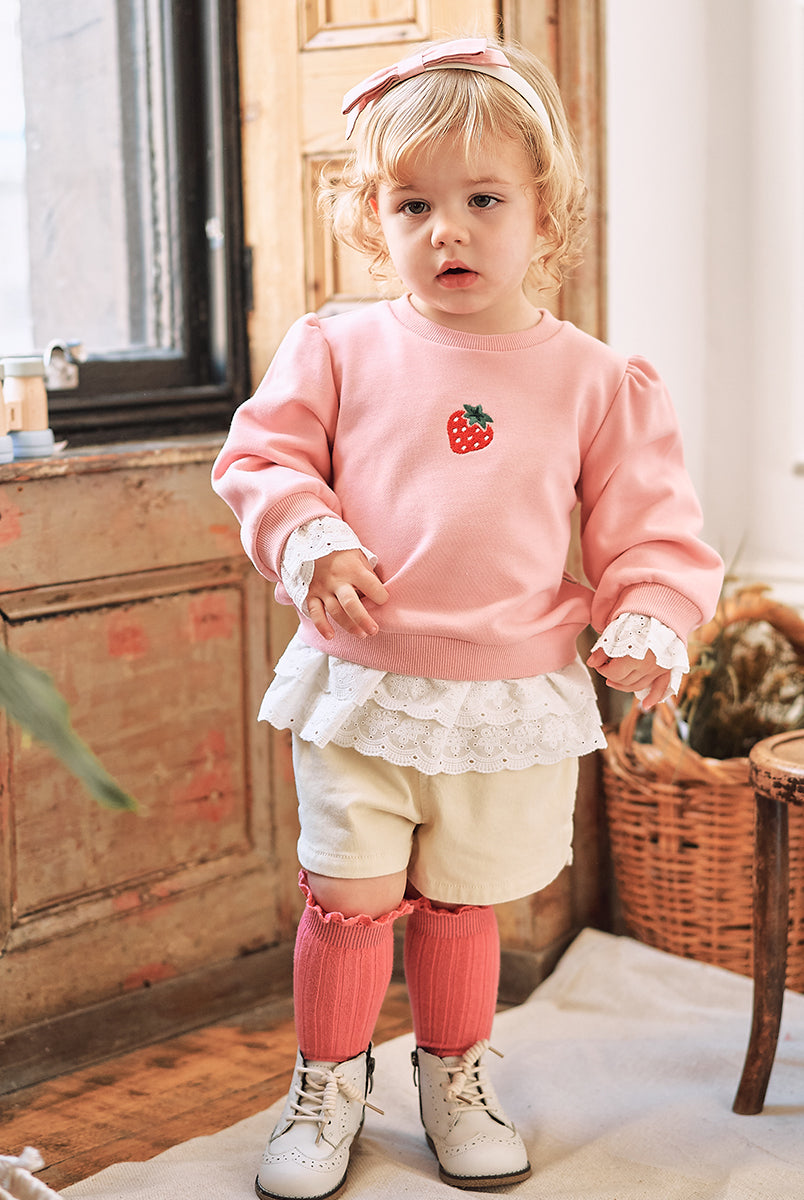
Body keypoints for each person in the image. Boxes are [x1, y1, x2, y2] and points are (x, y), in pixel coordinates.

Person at [212, 36, 724, 1200]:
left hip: (506, 694)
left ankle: (454, 1075)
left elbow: (651, 526)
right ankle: (328, 1083)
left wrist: (649, 611)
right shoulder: (337, 348)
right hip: (362, 681)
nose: (447, 230)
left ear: (546, 212)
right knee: (348, 894)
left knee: (461, 899)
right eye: (414, 205)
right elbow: (263, 459)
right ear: (373, 216)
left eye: (483, 200)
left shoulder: (596, 380)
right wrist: (310, 532)